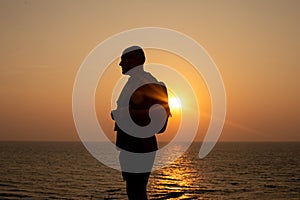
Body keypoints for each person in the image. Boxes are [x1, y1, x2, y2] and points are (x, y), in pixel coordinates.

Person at [111, 46, 170, 200]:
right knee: (134, 190)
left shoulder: (146, 82)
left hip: (140, 145)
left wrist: (123, 113)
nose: (121, 64)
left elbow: (158, 115)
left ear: (137, 61)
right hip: (132, 144)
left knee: (136, 191)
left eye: (125, 59)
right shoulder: (135, 82)